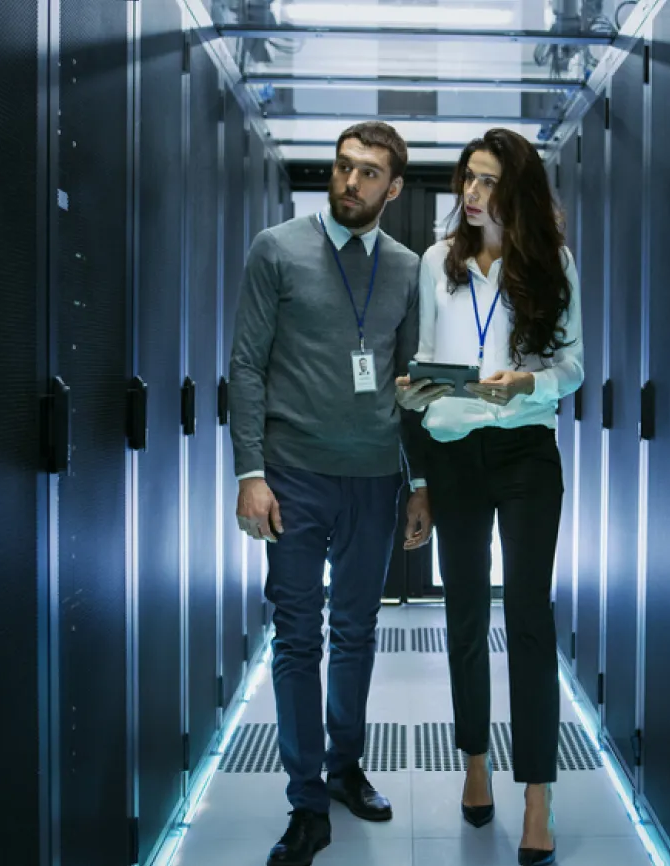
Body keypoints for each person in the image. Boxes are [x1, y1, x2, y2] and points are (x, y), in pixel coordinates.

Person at [229, 121, 437, 866]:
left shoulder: (408, 268)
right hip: (293, 476)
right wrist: (250, 474)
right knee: (297, 637)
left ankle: (345, 768)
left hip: (375, 478)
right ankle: (306, 802)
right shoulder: (276, 248)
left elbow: (408, 386)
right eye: (344, 166)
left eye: (369, 172)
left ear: (395, 187)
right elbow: (246, 366)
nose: (350, 181)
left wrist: (418, 483)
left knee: (356, 632)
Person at [396, 128, 583, 866]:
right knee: (466, 613)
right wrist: (416, 396)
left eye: (487, 182)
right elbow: (422, 357)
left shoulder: (551, 263)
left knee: (531, 619)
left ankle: (538, 794)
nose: (471, 195)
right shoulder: (437, 263)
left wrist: (528, 381)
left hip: (525, 450)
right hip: (453, 452)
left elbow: (573, 365)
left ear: (517, 192)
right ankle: (474, 763)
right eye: (467, 180)